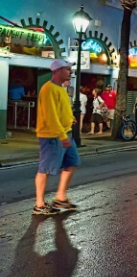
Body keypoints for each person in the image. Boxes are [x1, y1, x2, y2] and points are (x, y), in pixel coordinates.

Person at [32, 59, 81, 215]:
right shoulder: (48, 89)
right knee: (44, 169)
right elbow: (51, 116)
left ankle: (60, 197)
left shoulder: (61, 88)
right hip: (52, 136)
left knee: (72, 163)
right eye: (67, 69)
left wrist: (70, 118)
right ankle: (39, 204)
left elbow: (61, 110)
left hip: (65, 133)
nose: (70, 72)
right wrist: (62, 136)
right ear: (58, 71)